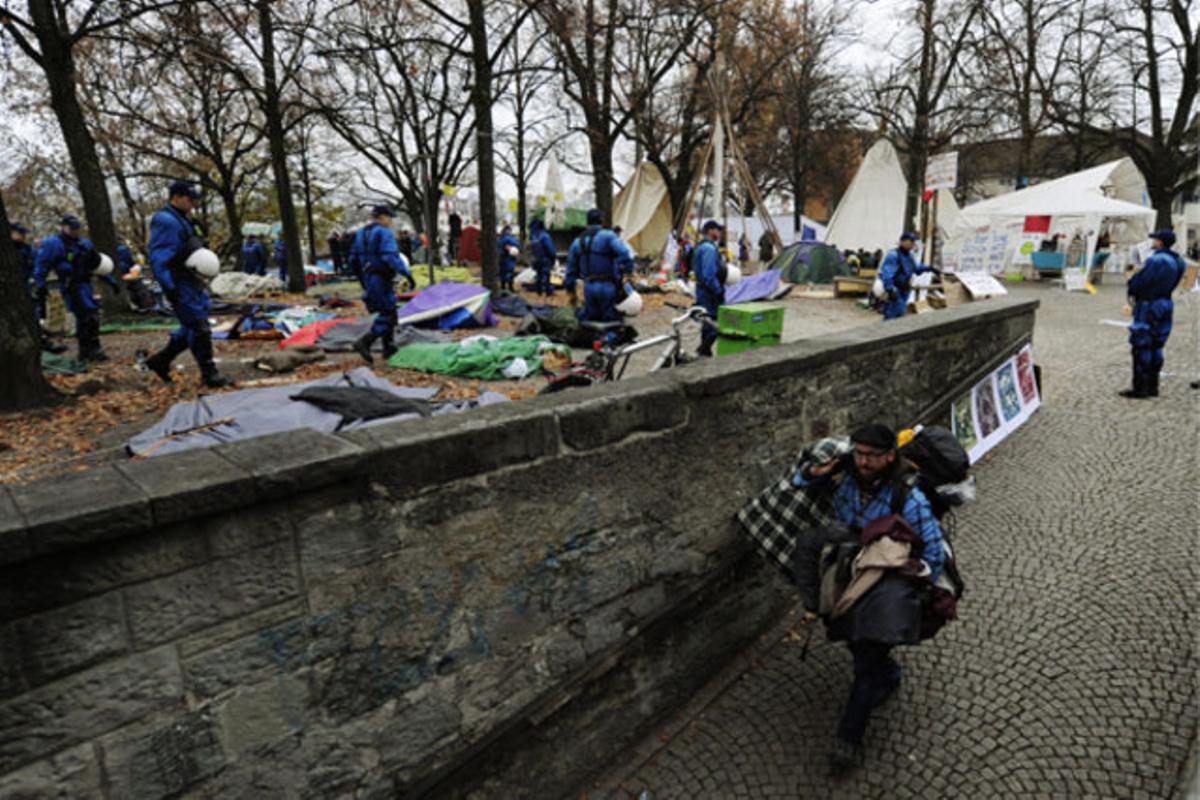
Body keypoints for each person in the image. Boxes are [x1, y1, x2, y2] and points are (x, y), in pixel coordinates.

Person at [794, 423, 946, 775]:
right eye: (858, 453)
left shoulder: (909, 498)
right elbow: (801, 482)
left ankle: (848, 741)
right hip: (850, 569)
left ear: (890, 456)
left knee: (866, 651)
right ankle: (889, 674)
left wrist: (902, 578)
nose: (862, 462)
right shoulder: (845, 474)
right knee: (849, 632)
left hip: (886, 581)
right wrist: (819, 471)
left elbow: (933, 557)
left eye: (871, 456)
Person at [144, 180, 230, 388]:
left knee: (192, 324)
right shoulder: (166, 220)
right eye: (190, 199)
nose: (193, 204)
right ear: (177, 197)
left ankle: (160, 361)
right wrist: (169, 287)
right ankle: (209, 373)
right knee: (199, 327)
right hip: (178, 281)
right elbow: (159, 258)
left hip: (190, 280)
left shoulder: (183, 219)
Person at [34, 215, 111, 362]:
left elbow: (95, 264)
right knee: (85, 316)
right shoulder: (54, 244)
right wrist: (41, 285)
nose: (75, 232)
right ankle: (86, 350)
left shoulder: (85, 244)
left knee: (92, 316)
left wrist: (109, 279)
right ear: (64, 227)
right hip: (71, 285)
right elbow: (42, 266)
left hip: (86, 284)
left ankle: (93, 347)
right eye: (72, 228)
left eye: (77, 228)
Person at [1121, 230, 1186, 399]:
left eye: (1155, 239)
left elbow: (1139, 283)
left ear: (1161, 242)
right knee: (1158, 344)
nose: (1152, 241)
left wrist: (1131, 279)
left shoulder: (1156, 260)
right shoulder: (1179, 261)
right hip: (1166, 303)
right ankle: (1153, 385)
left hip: (1150, 304)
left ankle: (1141, 387)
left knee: (1142, 343)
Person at [348, 204, 413, 363]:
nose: (391, 221)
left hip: (368, 277)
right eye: (389, 218)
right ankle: (365, 341)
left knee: (386, 309)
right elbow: (390, 256)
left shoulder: (361, 233)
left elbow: (353, 260)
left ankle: (388, 346)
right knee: (389, 313)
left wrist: (362, 280)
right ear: (382, 217)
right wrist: (406, 274)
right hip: (381, 277)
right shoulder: (384, 233)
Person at [564, 208, 635, 325]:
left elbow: (571, 270)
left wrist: (570, 290)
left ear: (587, 222)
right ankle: (610, 341)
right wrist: (626, 271)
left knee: (592, 323)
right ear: (601, 221)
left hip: (589, 288)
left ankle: (595, 341)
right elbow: (625, 254)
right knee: (612, 323)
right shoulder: (608, 236)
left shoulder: (577, 241)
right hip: (608, 287)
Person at [692, 220, 728, 357]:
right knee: (715, 322)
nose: (719, 233)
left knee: (707, 321)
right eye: (717, 230)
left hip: (703, 290)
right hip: (709, 292)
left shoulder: (702, 246)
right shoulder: (709, 249)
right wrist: (718, 291)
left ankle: (704, 351)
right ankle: (703, 349)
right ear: (710, 231)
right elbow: (709, 275)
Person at [878, 232, 931, 321]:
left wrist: (929, 268)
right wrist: (890, 289)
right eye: (910, 241)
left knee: (900, 314)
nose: (912, 244)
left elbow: (915, 268)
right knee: (893, 314)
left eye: (913, 242)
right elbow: (887, 274)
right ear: (902, 241)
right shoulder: (894, 255)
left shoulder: (910, 256)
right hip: (896, 290)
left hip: (905, 289)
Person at [529, 218, 556, 296]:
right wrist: (553, 258)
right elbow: (550, 249)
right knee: (546, 276)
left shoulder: (533, 237)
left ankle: (539, 292)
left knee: (539, 275)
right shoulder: (545, 236)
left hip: (536, 260)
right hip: (545, 260)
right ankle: (548, 292)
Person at [498, 225, 521, 292]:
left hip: (502, 258)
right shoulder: (509, 238)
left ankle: (503, 288)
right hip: (508, 258)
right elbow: (516, 245)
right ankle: (510, 288)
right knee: (509, 272)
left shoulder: (501, 238)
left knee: (503, 273)